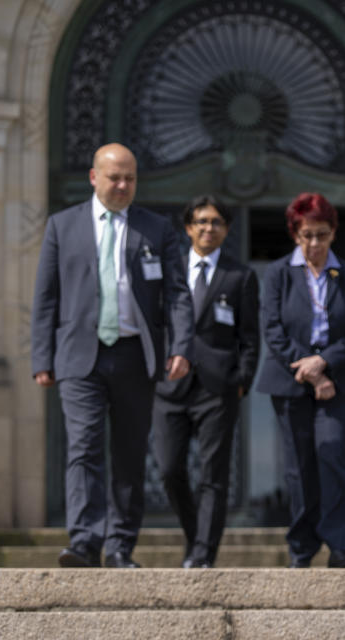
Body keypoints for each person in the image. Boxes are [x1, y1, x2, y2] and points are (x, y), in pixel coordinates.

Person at [31, 143, 193, 568]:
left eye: (130, 179)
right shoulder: (61, 227)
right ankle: (84, 541)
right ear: (93, 177)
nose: (123, 186)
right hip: (78, 356)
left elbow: (177, 294)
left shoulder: (156, 229)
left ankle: (120, 546)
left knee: (128, 453)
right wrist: (41, 357)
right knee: (83, 446)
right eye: (114, 178)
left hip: (135, 354)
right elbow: (46, 298)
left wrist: (179, 347)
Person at [255, 192, 345, 569]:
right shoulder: (277, 274)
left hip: (338, 381)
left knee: (332, 452)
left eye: (321, 235)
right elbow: (273, 329)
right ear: (295, 235)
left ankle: (339, 545)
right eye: (307, 236)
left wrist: (323, 364)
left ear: (333, 232)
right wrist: (306, 368)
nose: (314, 244)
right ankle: (302, 548)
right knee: (299, 465)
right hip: (290, 382)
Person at [151, 195, 260, 569]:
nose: (208, 228)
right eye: (201, 221)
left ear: (226, 229)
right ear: (188, 228)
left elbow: (250, 336)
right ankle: (195, 534)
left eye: (215, 222)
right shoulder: (170, 271)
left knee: (213, 476)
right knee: (169, 469)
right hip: (170, 387)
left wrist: (242, 379)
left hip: (218, 388)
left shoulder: (240, 276)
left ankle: (202, 554)